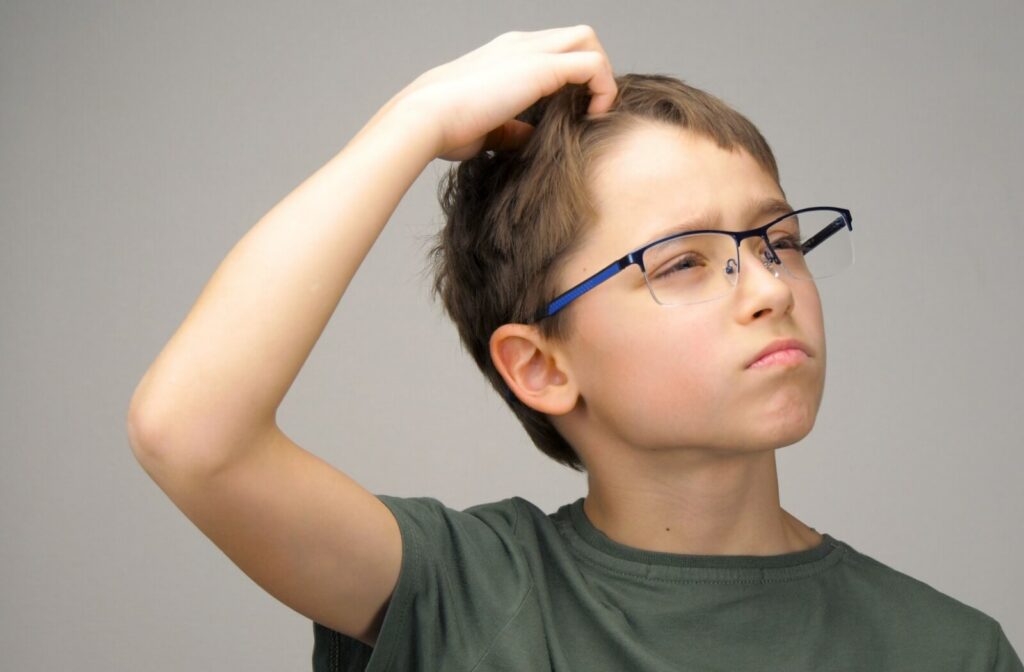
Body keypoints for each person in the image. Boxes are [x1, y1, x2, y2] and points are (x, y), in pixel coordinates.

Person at [126, 25, 1022, 671]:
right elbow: (191, 434)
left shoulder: (949, 648)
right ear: (542, 366)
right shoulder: (461, 593)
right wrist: (415, 120)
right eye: (682, 261)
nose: (770, 288)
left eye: (777, 240)